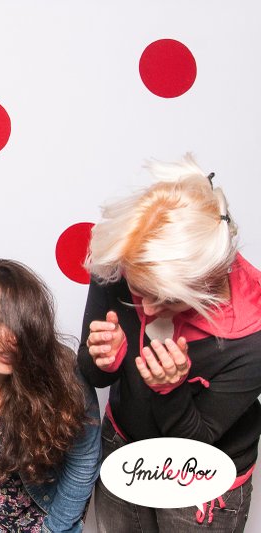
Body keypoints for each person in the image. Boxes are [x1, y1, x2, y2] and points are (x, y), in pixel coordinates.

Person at [79, 154, 261, 531]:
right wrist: (104, 360)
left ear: (209, 281)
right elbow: (93, 376)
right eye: (139, 290)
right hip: (125, 449)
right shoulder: (121, 259)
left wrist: (170, 390)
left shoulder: (252, 333)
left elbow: (198, 442)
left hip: (205, 480)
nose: (146, 309)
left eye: (167, 299)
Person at [0, 259, 100, 533]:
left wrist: (54, 529)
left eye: (21, 323)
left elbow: (84, 457)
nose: (11, 338)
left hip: (49, 514)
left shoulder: (62, 369)